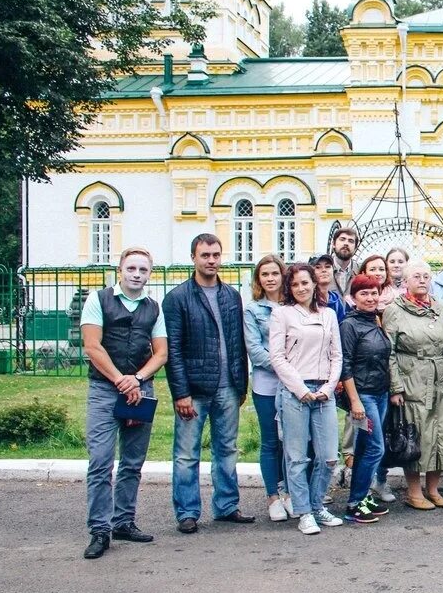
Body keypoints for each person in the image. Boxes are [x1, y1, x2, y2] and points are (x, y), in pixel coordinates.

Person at [79, 247, 168, 559]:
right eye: (131, 268)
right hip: (105, 389)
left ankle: (124, 521)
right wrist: (122, 380)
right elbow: (92, 346)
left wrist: (138, 379)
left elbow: (160, 353)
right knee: (101, 462)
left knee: (132, 462)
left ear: (149, 274)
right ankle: (100, 530)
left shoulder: (153, 308)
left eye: (143, 270)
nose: (137, 274)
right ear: (120, 270)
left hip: (141, 389)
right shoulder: (98, 299)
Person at [164, 234, 252, 534]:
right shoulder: (178, 298)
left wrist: (242, 385)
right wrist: (181, 392)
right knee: (187, 453)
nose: (211, 260)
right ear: (194, 257)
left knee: (227, 449)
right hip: (195, 390)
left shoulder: (231, 296)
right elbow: (172, 350)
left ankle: (226, 506)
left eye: (215, 254)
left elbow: (238, 342)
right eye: (205, 255)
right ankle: (187, 512)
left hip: (228, 387)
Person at [270, 262, 343, 535]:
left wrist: (329, 385)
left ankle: (317, 505)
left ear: (314, 283)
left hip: (324, 392)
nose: (301, 288)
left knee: (327, 457)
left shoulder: (328, 315)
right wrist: (300, 389)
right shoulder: (283, 314)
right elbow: (277, 356)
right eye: (295, 284)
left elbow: (337, 355)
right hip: (295, 393)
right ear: (289, 288)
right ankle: (303, 512)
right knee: (297, 457)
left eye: (305, 282)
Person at [384, 260, 443, 510]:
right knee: (417, 435)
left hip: (441, 378)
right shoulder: (395, 310)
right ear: (405, 281)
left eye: (426, 276)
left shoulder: (440, 308)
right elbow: (389, 352)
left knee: (442, 432)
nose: (422, 280)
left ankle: (433, 489)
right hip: (412, 378)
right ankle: (414, 492)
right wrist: (396, 387)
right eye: (416, 276)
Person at [243, 254, 293, 522]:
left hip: (294, 384)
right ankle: (272, 496)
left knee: (292, 441)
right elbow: (255, 350)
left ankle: (288, 493)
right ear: (259, 280)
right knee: (271, 441)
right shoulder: (253, 310)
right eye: (265, 275)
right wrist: (287, 366)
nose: (271, 279)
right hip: (267, 384)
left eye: (275, 273)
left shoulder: (293, 305)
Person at [340, 274, 393, 524]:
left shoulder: (375, 320)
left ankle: (359, 498)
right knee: (375, 448)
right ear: (353, 298)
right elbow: (345, 364)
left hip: (380, 392)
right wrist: (355, 401)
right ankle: (354, 503)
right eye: (365, 293)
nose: (371, 298)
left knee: (364, 448)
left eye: (374, 293)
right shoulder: (350, 325)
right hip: (363, 395)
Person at [311, 254, 347, 324]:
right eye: (318, 267)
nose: (324, 270)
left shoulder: (336, 300)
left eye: (327, 267)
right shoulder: (308, 299)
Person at [328, 226, 359, 295]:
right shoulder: (322, 270)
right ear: (333, 244)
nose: (346, 243)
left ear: (355, 248)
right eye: (342, 239)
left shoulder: (360, 272)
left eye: (351, 241)